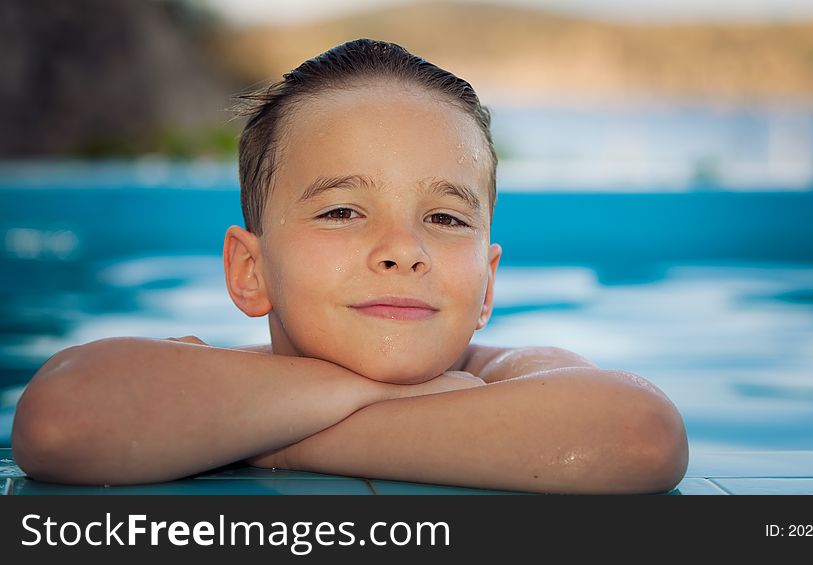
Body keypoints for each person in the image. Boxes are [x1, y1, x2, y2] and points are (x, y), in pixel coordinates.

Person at [11, 39, 688, 494]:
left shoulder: (516, 373)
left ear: (487, 286)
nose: (402, 248)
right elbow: (57, 421)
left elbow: (639, 432)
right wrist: (399, 402)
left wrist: (266, 437)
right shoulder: (200, 376)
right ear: (251, 270)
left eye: (445, 218)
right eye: (341, 211)